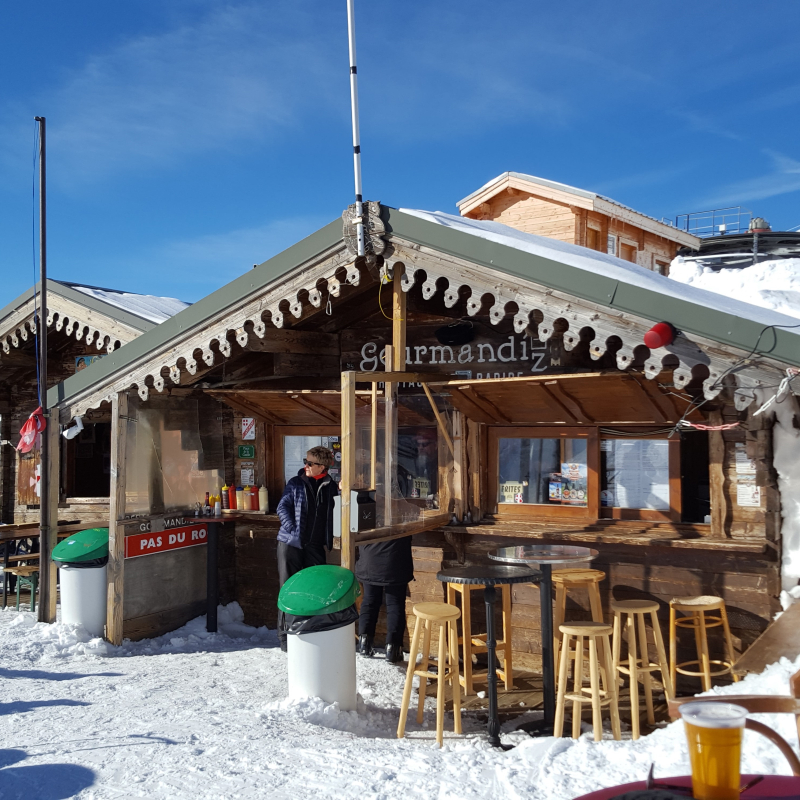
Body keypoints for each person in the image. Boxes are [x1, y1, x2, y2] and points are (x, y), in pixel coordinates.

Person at [276, 446, 338, 651]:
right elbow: (282, 507)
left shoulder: (330, 486)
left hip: (314, 545)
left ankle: (311, 631)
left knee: (314, 589)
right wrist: (292, 529)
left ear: (322, 466)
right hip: (290, 544)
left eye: (310, 463)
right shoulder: (295, 483)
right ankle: (285, 637)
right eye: (305, 461)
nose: (306, 465)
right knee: (288, 588)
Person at [355, 534, 414, 663]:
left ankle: (364, 643)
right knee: (395, 604)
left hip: (369, 557)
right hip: (396, 558)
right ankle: (393, 649)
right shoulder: (402, 513)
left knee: (369, 600)